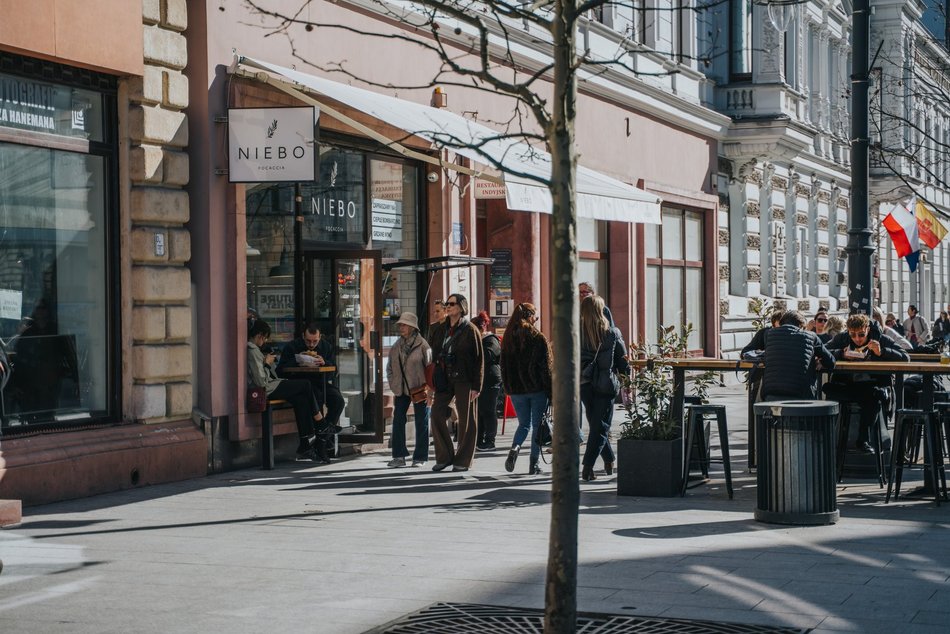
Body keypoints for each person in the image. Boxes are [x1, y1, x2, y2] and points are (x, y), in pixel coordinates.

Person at [825, 313, 909, 453]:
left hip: (873, 384)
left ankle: (863, 439)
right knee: (828, 388)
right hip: (848, 385)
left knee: (873, 396)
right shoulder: (843, 338)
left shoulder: (880, 339)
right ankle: (834, 441)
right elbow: (823, 352)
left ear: (868, 330)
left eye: (861, 335)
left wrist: (882, 352)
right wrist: (841, 354)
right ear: (848, 331)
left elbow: (905, 357)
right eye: (853, 335)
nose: (857, 339)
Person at [247, 319, 329, 462]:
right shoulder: (252, 350)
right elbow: (261, 381)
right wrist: (267, 364)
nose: (265, 341)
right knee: (306, 385)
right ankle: (321, 423)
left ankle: (305, 444)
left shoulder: (255, 350)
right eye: (265, 338)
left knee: (301, 399)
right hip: (267, 389)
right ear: (260, 335)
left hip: (272, 385)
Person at [426, 293, 483, 472]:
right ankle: (444, 457)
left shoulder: (470, 330)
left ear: (461, 307)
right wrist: (431, 384)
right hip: (444, 378)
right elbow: (434, 355)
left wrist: (477, 386)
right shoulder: (439, 329)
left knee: (467, 420)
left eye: (451, 304)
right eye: (447, 304)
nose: (448, 307)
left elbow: (479, 360)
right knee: (436, 414)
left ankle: (463, 460)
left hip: (465, 378)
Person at [579, 295, 629, 482]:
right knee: (600, 426)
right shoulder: (612, 333)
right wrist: (627, 382)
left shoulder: (574, 333)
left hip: (584, 383)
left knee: (596, 424)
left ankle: (609, 460)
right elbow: (623, 361)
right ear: (602, 310)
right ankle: (588, 467)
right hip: (605, 385)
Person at [500, 303, 552, 475]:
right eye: (535, 316)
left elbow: (503, 366)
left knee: (523, 424)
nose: (536, 320)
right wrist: (550, 391)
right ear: (529, 317)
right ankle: (534, 463)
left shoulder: (508, 338)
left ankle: (515, 448)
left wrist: (508, 387)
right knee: (537, 426)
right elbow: (546, 368)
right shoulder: (538, 337)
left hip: (516, 391)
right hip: (537, 389)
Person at [277, 323, 345, 433]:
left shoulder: (326, 347)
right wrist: (297, 360)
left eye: (315, 341)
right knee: (317, 397)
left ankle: (326, 430)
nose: (311, 344)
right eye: (308, 341)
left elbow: (334, 372)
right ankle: (321, 432)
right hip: (301, 384)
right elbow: (280, 371)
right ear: (303, 336)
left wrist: (324, 363)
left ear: (320, 337)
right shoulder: (292, 347)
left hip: (320, 382)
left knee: (338, 400)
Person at [385, 312, 431, 468]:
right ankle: (399, 456)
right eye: (400, 325)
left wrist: (429, 389)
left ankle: (420, 457)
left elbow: (430, 368)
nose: (401, 327)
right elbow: (389, 368)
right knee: (398, 420)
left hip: (419, 388)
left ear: (412, 327)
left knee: (421, 422)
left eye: (404, 325)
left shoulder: (423, 345)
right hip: (401, 389)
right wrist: (394, 384)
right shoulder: (396, 346)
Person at [759, 311, 834, 401]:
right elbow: (831, 362)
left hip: (772, 392)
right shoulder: (811, 336)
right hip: (802, 395)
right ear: (801, 325)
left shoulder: (769, 334)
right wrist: (816, 361)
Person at [471, 311, 502, 451]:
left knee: (488, 410)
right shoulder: (477, 341)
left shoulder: (491, 340)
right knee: (479, 411)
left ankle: (490, 440)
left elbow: (488, 355)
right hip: (479, 380)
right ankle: (479, 439)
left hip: (490, 379)